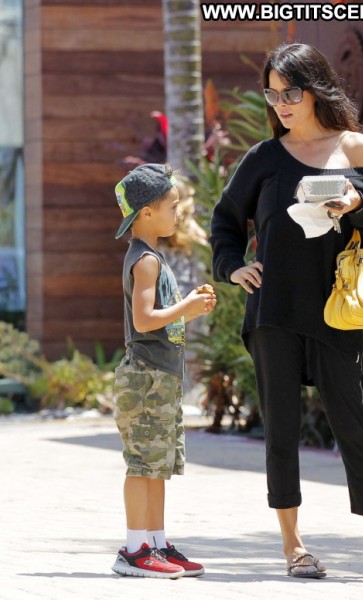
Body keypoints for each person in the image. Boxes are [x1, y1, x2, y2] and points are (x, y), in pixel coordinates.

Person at [209, 43, 363, 580]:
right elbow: (225, 222)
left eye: (290, 92)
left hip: (336, 308)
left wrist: (357, 204)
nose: (281, 104)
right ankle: (293, 546)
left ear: (315, 89)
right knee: (281, 430)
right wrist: (233, 267)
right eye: (272, 95)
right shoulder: (263, 158)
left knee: (351, 428)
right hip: (273, 309)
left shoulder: (355, 147)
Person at [111, 163, 217, 579]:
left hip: (159, 376)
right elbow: (144, 320)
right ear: (147, 213)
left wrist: (187, 308)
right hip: (145, 378)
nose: (178, 213)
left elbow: (158, 318)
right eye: (172, 206)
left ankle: (155, 542)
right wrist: (186, 306)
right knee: (142, 465)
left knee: (158, 466)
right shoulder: (145, 261)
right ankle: (134, 549)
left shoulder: (153, 257)